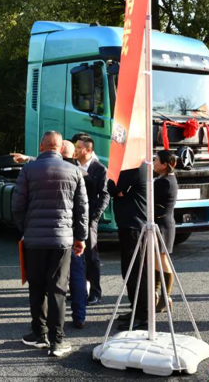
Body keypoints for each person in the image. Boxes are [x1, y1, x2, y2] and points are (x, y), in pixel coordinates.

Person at [12, 131, 88, 357]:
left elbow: (17, 204)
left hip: (34, 240)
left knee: (36, 287)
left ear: (41, 146)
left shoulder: (28, 170)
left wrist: (25, 228)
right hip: (62, 240)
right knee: (57, 289)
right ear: (60, 148)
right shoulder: (74, 171)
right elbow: (82, 208)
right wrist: (80, 237)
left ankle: (39, 333)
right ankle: (57, 341)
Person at [108, 162, 148, 330]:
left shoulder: (134, 167)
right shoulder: (138, 166)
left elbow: (112, 188)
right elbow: (117, 190)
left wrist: (116, 188)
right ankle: (136, 309)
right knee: (130, 270)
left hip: (133, 224)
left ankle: (142, 315)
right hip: (131, 224)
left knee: (135, 271)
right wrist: (118, 191)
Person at [73, 134, 109, 306]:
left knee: (91, 255)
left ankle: (95, 292)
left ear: (88, 150)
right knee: (73, 254)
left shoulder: (99, 169)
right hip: (72, 217)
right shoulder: (72, 165)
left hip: (89, 219)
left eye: (78, 147)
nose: (75, 150)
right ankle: (79, 289)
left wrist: (94, 217)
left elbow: (104, 195)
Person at [60, 140, 89, 330]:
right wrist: (82, 237)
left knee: (53, 278)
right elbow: (83, 208)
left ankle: (52, 319)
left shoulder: (40, 170)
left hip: (49, 235)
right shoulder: (80, 173)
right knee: (77, 276)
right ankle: (79, 317)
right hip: (72, 233)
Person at [152, 150, 179, 313]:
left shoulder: (165, 182)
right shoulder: (166, 179)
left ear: (164, 165)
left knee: (162, 260)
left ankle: (165, 297)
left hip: (162, 225)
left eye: (156, 160)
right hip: (162, 223)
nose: (153, 163)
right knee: (157, 259)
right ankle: (156, 295)